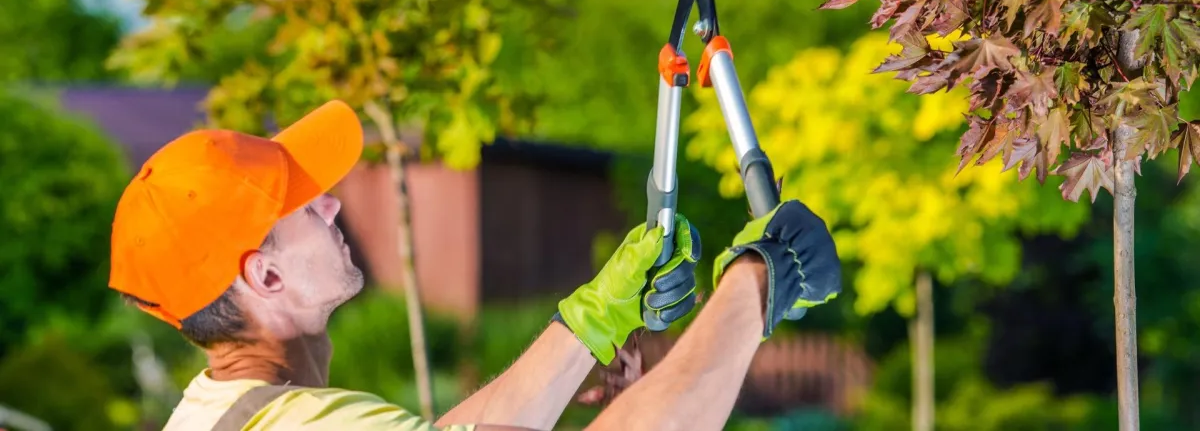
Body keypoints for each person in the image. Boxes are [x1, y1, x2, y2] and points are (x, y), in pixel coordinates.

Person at [109, 99, 841, 430]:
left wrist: (600, 311)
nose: (331, 205)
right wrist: (757, 284)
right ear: (265, 277)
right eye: (302, 205)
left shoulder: (223, 413)